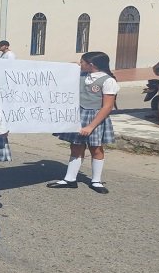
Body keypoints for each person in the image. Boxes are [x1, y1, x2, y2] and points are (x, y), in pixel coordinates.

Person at [47, 51, 119, 194]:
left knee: (96, 148)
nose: (80, 64)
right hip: (79, 114)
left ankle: (96, 180)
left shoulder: (108, 80)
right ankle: (70, 178)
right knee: (76, 146)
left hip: (95, 117)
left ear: (91, 65)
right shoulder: (81, 75)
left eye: (82, 62)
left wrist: (91, 126)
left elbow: (107, 106)